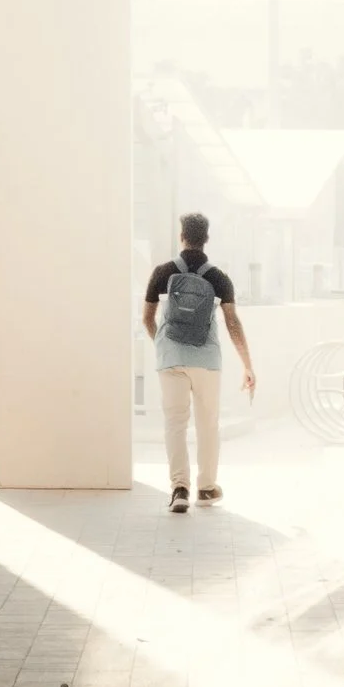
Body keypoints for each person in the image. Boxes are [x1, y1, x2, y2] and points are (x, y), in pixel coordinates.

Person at [142, 212, 257, 512]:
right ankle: (206, 488)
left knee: (175, 424)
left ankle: (179, 488)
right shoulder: (219, 278)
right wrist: (247, 365)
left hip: (171, 359)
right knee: (208, 424)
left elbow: (146, 318)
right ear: (206, 239)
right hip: (207, 360)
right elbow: (232, 324)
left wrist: (163, 346)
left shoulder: (162, 272)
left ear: (182, 236)